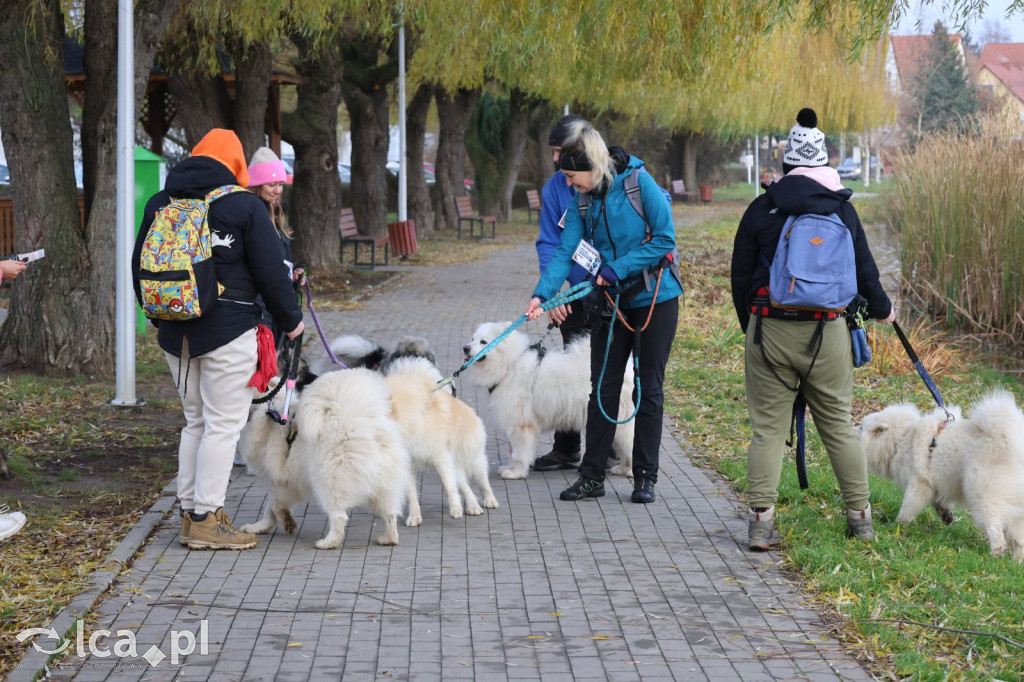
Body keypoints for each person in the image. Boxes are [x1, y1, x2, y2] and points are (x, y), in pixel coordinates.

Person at [730, 108, 895, 550]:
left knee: (766, 429)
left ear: (786, 162)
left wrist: (753, 329)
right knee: (839, 426)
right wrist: (884, 310)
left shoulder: (762, 209)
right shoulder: (842, 211)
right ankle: (860, 519)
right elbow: (867, 275)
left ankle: (761, 524)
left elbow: (740, 277)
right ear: (825, 164)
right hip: (828, 335)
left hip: (769, 331)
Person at [132, 129, 304, 551]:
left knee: (196, 422)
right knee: (224, 425)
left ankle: (191, 514)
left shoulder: (160, 202)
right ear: (237, 166)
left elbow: (140, 265)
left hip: (177, 335)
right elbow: (270, 273)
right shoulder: (243, 205)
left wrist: (162, 320)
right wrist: (293, 321)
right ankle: (208, 518)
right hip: (229, 332)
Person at [525, 119, 683, 504]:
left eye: (571, 175)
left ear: (592, 168)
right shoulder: (582, 199)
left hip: (654, 299)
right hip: (611, 302)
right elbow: (565, 250)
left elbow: (665, 240)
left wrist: (618, 268)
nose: (567, 183)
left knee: (648, 387)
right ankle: (591, 475)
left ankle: (644, 475)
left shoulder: (637, 183)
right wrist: (543, 295)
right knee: (601, 387)